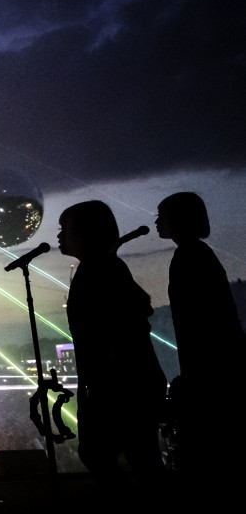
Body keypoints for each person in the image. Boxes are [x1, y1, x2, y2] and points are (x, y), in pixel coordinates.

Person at [57, 200, 167, 488]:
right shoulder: (105, 267)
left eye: (63, 229)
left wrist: (103, 385)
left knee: (113, 455)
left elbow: (114, 329)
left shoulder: (98, 269)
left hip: (120, 386)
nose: (58, 236)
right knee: (136, 457)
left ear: (81, 232)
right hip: (125, 384)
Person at [155, 192, 245, 514]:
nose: (156, 220)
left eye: (162, 214)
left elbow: (198, 327)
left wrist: (192, 379)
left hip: (212, 376)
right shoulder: (198, 255)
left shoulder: (187, 257)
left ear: (179, 218)